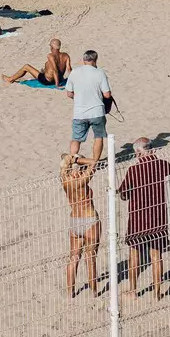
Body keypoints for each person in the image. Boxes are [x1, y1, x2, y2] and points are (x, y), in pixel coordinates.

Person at [121, 138, 170, 300]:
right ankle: (157, 292)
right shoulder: (165, 165)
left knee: (134, 255)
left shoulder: (134, 170)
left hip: (139, 219)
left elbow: (124, 194)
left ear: (138, 153)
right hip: (159, 217)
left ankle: (133, 291)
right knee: (156, 256)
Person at [61, 150, 103, 297]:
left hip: (75, 220)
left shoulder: (65, 180)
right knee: (90, 258)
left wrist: (70, 159)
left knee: (73, 258)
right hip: (89, 219)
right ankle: (94, 291)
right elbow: (94, 162)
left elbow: (63, 162)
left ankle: (70, 292)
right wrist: (79, 160)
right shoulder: (82, 179)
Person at [65, 49, 112, 156]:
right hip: (97, 111)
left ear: (83, 60)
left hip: (79, 112)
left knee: (76, 139)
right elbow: (107, 94)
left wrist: (78, 98)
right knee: (98, 137)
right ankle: (95, 161)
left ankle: (72, 160)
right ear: (95, 60)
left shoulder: (74, 72)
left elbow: (69, 93)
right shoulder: (100, 73)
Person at [6, 38, 71, 86]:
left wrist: (57, 85)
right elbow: (69, 69)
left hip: (48, 81)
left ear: (51, 47)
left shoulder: (51, 56)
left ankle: (10, 79)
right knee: (46, 65)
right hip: (60, 79)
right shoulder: (66, 55)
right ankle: (43, 72)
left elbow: (55, 70)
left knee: (26, 66)